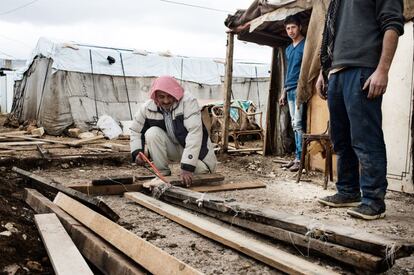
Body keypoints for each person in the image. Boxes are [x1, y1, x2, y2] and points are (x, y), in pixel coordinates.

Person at [316, 0, 404, 219]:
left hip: (363, 69)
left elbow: (392, 25)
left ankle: (373, 201)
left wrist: (382, 70)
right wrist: (324, 71)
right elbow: (331, 34)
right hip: (336, 72)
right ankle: (347, 191)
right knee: (340, 139)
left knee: (365, 139)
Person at [130, 76, 217, 187]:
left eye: (169, 96)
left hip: (198, 151)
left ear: (175, 93)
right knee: (152, 133)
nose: (166, 101)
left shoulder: (188, 102)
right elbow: (135, 130)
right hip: (175, 148)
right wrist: (138, 152)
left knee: (203, 172)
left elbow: (194, 134)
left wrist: (187, 167)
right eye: (161, 97)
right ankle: (162, 173)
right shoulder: (147, 108)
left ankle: (192, 165)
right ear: (155, 96)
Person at [279, 15, 306, 172]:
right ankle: (296, 156)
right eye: (288, 28)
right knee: (294, 125)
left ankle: (300, 158)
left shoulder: (305, 45)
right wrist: (283, 91)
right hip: (289, 89)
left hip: (299, 88)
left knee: (297, 124)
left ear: (300, 27)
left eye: (293, 27)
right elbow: (288, 71)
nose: (290, 31)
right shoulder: (288, 49)